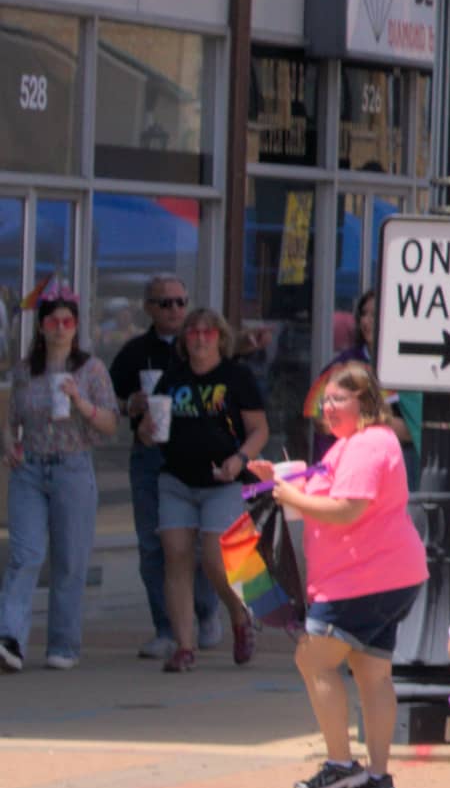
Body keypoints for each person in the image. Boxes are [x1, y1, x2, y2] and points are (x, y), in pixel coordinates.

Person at [264, 364, 421, 788]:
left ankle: (340, 764)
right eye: (325, 401)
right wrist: (280, 482)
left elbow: (349, 508)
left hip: (362, 577)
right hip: (381, 575)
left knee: (313, 659)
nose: (327, 409)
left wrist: (291, 496)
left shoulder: (368, 445)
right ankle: (377, 776)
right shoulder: (351, 444)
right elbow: (326, 491)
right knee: (372, 672)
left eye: (338, 400)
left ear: (365, 402)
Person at [142, 302, 266, 672]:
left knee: (215, 559)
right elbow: (149, 431)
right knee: (176, 557)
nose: (199, 339)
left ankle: (239, 615)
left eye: (207, 332)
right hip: (177, 479)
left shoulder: (236, 377)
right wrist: (147, 430)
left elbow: (260, 429)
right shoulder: (173, 378)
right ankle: (184, 647)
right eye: (193, 332)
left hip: (223, 480)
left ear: (220, 339)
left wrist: (240, 460)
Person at [5, 293, 118, 668]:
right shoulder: (24, 371)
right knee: (25, 554)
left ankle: (63, 645)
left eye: (67, 322)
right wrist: (9, 444)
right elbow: (10, 423)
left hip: (73, 466)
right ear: (41, 327)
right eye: (52, 321)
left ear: (76, 327)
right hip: (31, 468)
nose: (59, 328)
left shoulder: (92, 370)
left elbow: (110, 424)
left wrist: (79, 402)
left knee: (70, 559)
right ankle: (10, 640)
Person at [105, 275, 199, 663]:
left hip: (194, 456)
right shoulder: (134, 352)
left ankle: (203, 616)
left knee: (198, 544)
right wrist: (131, 406)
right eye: (165, 303)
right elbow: (110, 400)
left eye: (180, 302)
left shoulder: (198, 347)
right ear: (148, 309)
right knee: (152, 544)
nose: (174, 310)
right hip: (149, 454)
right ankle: (167, 628)